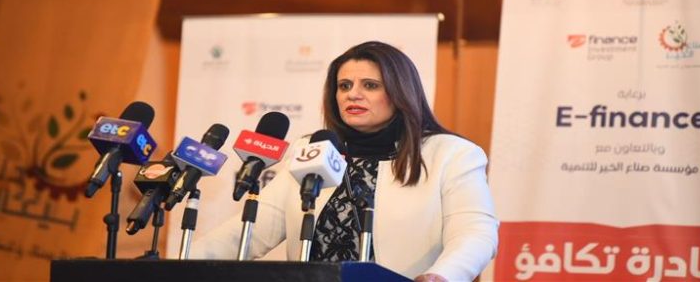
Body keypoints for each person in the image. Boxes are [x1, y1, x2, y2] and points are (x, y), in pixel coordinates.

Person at [191, 41, 498, 281]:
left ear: (400, 92)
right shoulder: (313, 149)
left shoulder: (450, 154)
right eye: (344, 86)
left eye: (370, 85)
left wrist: (441, 276)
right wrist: (181, 264)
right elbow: (250, 230)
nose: (353, 95)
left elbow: (475, 232)